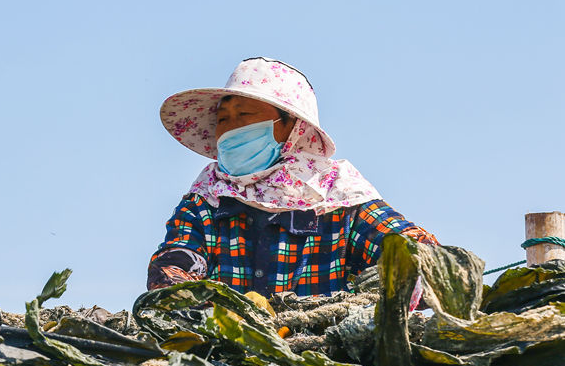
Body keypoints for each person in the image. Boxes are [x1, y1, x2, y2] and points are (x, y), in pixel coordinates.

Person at [148, 57, 438, 296]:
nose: (233, 128)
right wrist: (177, 284)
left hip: (324, 355)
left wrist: (423, 266)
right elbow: (178, 258)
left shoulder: (337, 196)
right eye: (224, 119)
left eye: (245, 114)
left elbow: (404, 246)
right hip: (226, 353)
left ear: (291, 129)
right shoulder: (205, 202)